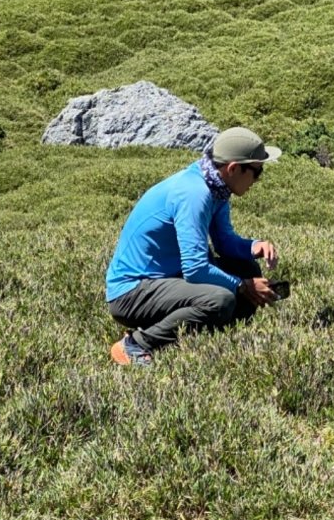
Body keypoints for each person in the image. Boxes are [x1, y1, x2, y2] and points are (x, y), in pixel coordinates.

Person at [105, 127, 283, 366]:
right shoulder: (195, 194)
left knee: (246, 266)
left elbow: (224, 242)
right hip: (131, 293)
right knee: (219, 300)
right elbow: (195, 269)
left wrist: (254, 246)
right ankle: (137, 344)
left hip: (166, 279)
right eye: (257, 172)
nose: (257, 180)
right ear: (233, 169)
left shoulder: (216, 188)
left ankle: (210, 334)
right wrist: (242, 286)